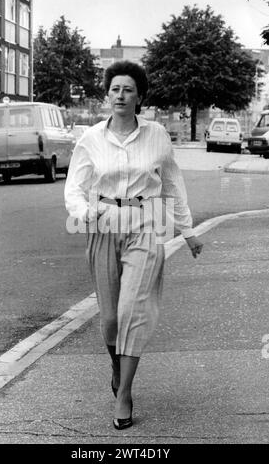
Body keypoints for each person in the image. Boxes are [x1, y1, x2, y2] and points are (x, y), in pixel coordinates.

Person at [64, 60, 203, 430]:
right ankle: (116, 366)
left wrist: (187, 231)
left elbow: (172, 184)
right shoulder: (91, 138)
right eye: (114, 89)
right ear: (106, 95)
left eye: (128, 89)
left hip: (147, 224)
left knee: (132, 313)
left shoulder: (157, 135)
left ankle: (124, 392)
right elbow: (74, 187)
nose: (120, 96)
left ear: (139, 96)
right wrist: (83, 212)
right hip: (104, 226)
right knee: (110, 320)